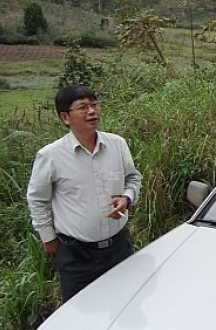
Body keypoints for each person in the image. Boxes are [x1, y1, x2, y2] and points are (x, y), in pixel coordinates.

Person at [27, 84, 142, 302]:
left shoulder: (117, 144)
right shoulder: (50, 155)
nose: (92, 111)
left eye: (94, 105)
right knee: (81, 313)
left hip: (119, 247)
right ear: (65, 117)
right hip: (76, 255)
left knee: (125, 304)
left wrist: (127, 197)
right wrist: (48, 237)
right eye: (83, 107)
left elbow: (133, 178)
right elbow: (37, 199)